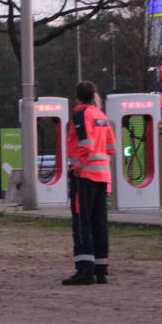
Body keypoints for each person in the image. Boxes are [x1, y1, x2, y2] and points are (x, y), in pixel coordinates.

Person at [63, 80, 117, 285]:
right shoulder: (101, 116)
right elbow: (111, 147)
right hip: (103, 176)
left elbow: (85, 144)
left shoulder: (80, 114)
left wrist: (76, 167)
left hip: (85, 176)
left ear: (76, 96)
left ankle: (85, 270)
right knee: (99, 223)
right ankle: (101, 269)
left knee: (82, 222)